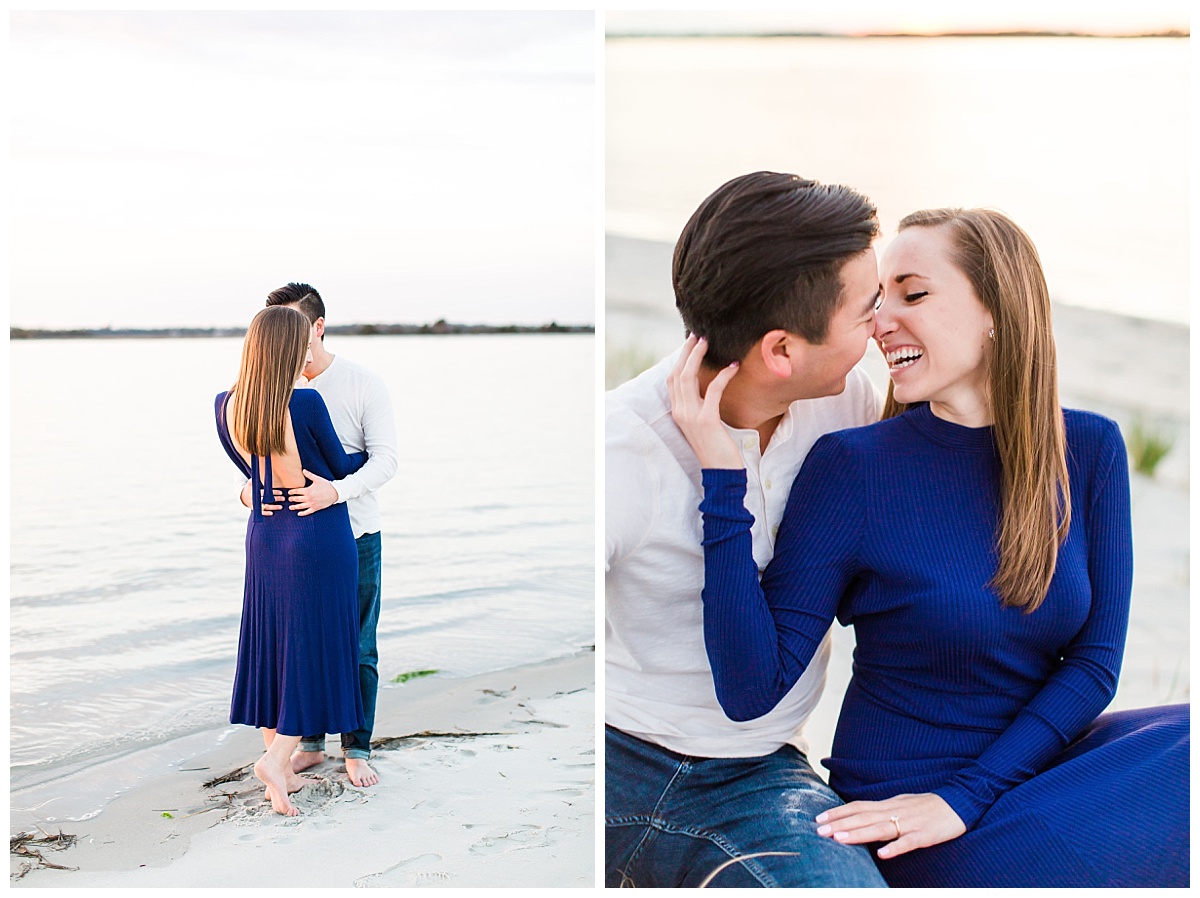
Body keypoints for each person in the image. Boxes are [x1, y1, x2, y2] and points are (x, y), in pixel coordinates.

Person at [671, 207, 1189, 887]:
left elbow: (1093, 665)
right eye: (878, 300)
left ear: (997, 308)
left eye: (913, 294)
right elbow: (750, 686)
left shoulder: (1090, 449)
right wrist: (721, 484)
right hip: (907, 808)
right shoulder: (853, 466)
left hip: (1029, 774)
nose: (882, 320)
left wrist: (969, 795)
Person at [605, 172, 888, 887]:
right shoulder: (619, 451)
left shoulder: (846, 401)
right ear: (783, 351)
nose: (882, 326)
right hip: (618, 754)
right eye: (869, 310)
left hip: (763, 773)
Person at [215, 305, 369, 816]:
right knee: (315, 648)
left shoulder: (225, 404)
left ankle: (276, 768)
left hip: (263, 534)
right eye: (302, 341)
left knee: (270, 645)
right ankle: (278, 755)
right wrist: (366, 457)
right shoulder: (305, 402)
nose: (309, 349)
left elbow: (248, 472)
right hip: (316, 533)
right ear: (287, 347)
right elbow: (342, 465)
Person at [244, 282, 399, 789]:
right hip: (291, 544)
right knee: (297, 647)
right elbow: (257, 463)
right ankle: (306, 746)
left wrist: (335, 492)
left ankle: (356, 749)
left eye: (292, 326)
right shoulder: (268, 390)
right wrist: (248, 493)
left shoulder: (361, 384)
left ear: (317, 327)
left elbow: (386, 460)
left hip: (354, 532)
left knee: (357, 647)